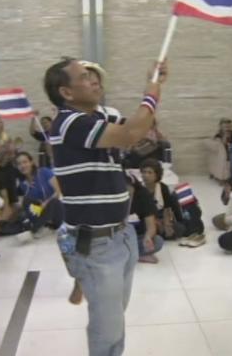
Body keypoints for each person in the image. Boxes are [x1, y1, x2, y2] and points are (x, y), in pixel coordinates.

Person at [44, 57, 167, 356]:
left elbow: (137, 129)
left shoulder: (97, 120)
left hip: (121, 235)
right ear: (67, 93)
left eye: (93, 75)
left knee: (113, 318)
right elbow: (131, 133)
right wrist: (153, 90)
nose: (94, 79)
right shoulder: (71, 122)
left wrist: (153, 86)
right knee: (107, 327)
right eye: (84, 77)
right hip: (97, 243)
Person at [15, 151, 64, 237]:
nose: (22, 166)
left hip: (56, 209)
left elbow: (58, 191)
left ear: (31, 162)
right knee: (25, 201)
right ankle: (41, 225)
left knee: (54, 202)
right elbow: (33, 205)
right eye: (19, 164)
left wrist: (46, 203)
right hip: (41, 211)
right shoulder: (23, 184)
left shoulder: (44, 172)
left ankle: (34, 229)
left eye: (25, 162)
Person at [125, 174, 164, 264]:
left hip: (137, 237)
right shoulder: (113, 197)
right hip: (119, 239)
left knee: (158, 241)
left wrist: (148, 237)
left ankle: (130, 255)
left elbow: (151, 226)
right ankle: (134, 255)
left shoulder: (143, 195)